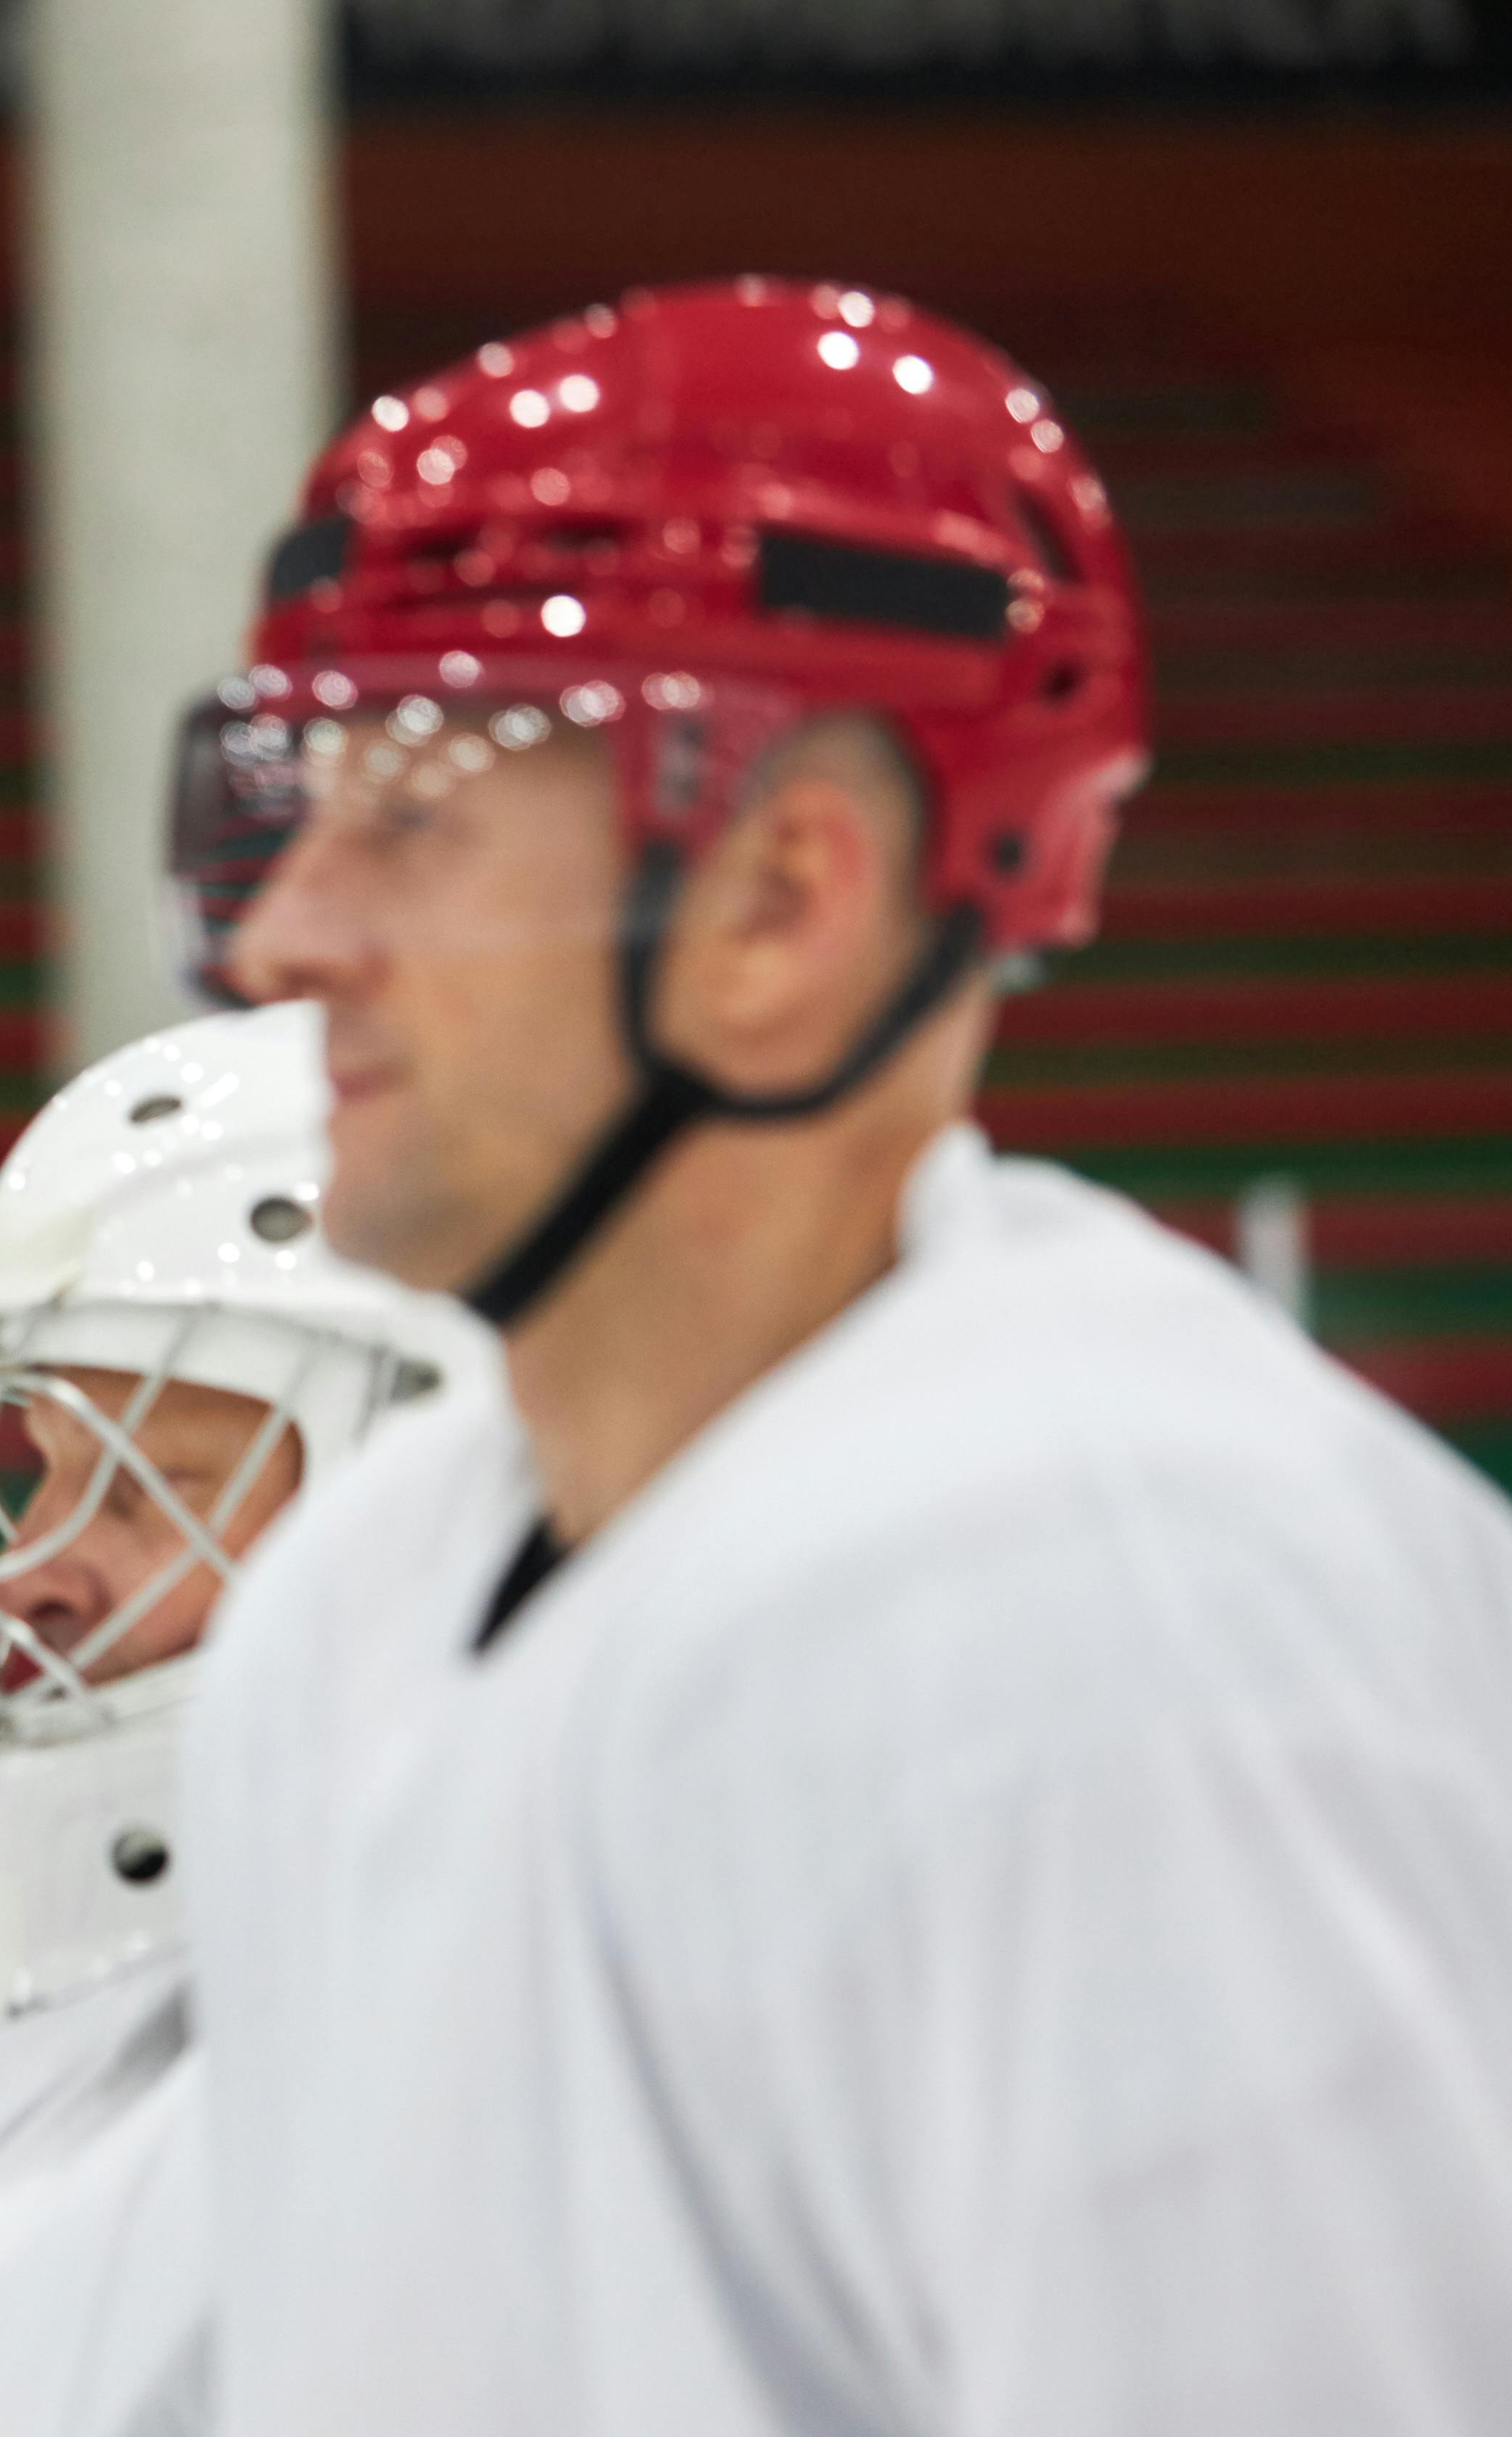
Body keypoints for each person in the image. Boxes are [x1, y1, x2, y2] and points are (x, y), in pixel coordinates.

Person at [171, 279, 1512, 2437]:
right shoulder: (351, 1603)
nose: (279, 933)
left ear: (787, 895)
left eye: (410, 818)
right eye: (299, 807)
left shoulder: (1127, 1623)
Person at [0, 1003, 478, 2437]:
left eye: (136, 1488)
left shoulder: (505, 2033)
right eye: (38, 1469)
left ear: (409, 1488)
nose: (26, 1570)